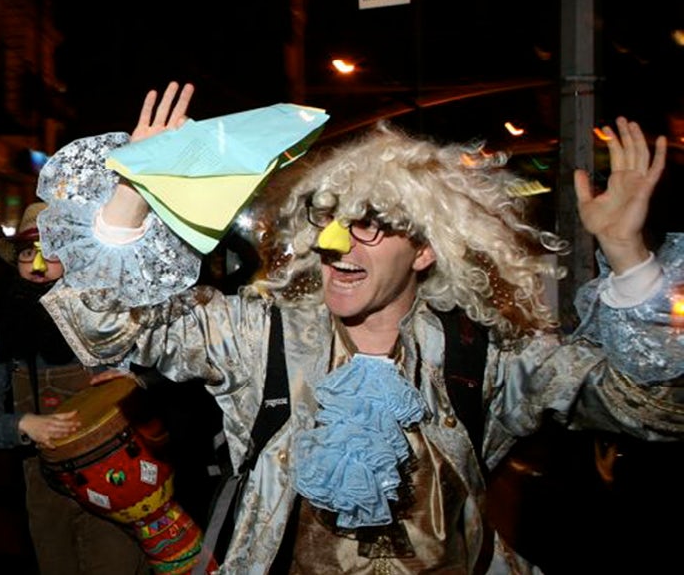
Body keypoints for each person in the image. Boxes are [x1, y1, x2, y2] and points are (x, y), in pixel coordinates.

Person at [36, 82, 684, 572]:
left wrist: (628, 256)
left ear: (424, 250)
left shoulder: (485, 354)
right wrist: (133, 193)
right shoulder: (261, 338)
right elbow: (107, 324)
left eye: (369, 225)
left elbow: (654, 408)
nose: (336, 242)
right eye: (328, 220)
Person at [0, 202, 145, 575]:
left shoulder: (103, 322)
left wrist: (134, 382)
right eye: (27, 253)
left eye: (51, 253)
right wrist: (23, 425)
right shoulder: (1, 336)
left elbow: (162, 375)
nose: (38, 266)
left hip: (114, 481)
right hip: (45, 490)